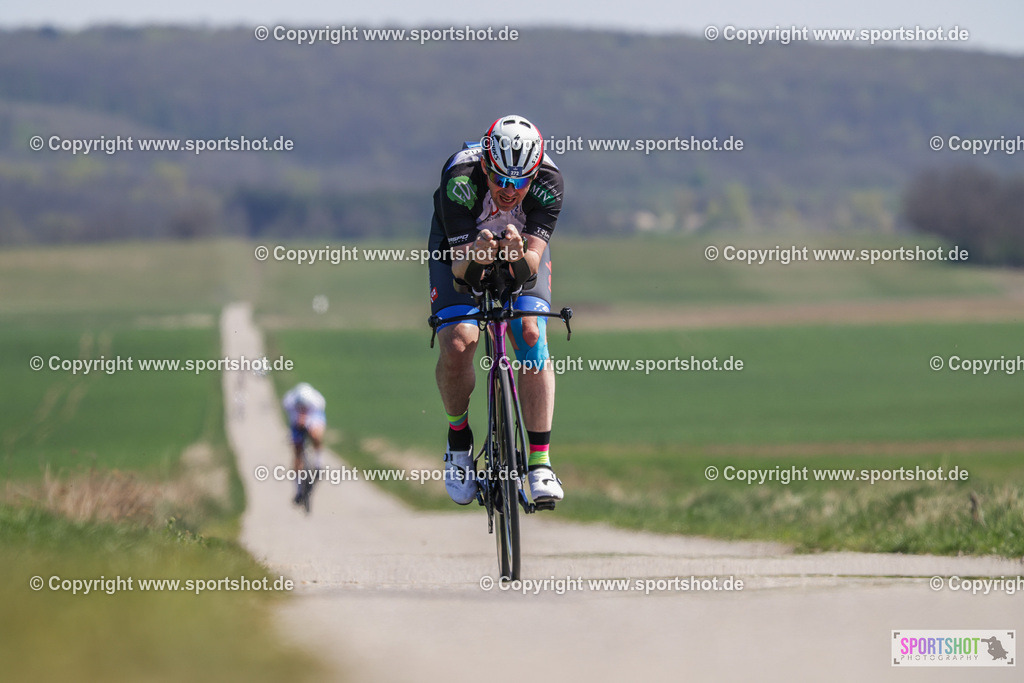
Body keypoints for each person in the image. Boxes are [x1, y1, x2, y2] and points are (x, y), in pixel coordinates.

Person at [427, 114, 564, 507]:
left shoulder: (549, 183)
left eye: (519, 182)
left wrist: (517, 258)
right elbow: (461, 270)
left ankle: (540, 463)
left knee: (531, 333)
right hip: (462, 248)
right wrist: (479, 257)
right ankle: (458, 445)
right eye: (500, 179)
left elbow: (530, 266)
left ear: (534, 175)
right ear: (486, 167)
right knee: (458, 342)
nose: (509, 191)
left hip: (521, 247)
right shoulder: (460, 179)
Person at [281, 382, 326, 504]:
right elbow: (294, 420)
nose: (302, 408)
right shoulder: (289, 401)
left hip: (314, 417)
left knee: (316, 435)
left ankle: (318, 462)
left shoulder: (317, 401)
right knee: (297, 452)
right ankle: (298, 490)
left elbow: (319, 421)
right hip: (296, 420)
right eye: (300, 406)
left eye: (304, 406)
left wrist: (309, 425)